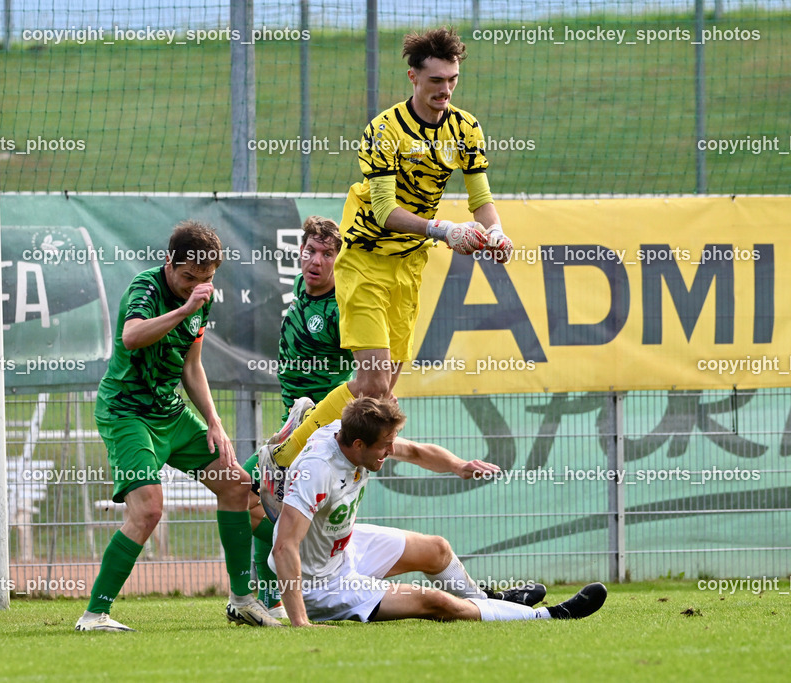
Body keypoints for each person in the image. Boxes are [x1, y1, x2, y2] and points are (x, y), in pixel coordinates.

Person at [268, 27, 515, 470]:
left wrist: (495, 233)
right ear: (413, 78)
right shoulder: (384, 129)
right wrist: (444, 231)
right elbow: (383, 209)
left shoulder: (465, 128)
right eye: (436, 80)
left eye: (453, 79)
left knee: (381, 396)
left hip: (409, 266)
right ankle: (284, 458)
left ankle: (313, 444)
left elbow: (481, 199)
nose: (446, 89)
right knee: (372, 380)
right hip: (364, 261)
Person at [76, 221, 281, 632]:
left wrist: (214, 421)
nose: (195, 286)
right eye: (188, 277)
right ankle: (94, 615)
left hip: (170, 413)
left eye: (205, 279)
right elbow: (132, 336)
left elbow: (191, 365)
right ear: (169, 262)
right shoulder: (146, 289)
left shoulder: (202, 297)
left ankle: (244, 600)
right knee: (149, 508)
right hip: (126, 412)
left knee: (239, 488)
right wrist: (185, 308)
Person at [271, 397, 607, 626]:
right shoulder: (318, 468)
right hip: (320, 584)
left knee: (437, 549)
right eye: (385, 447)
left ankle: (489, 602)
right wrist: (301, 621)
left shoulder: (348, 434)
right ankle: (548, 617)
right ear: (358, 445)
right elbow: (285, 546)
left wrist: (459, 466)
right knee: (435, 601)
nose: (391, 451)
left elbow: (415, 451)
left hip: (345, 549)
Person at [242, 216, 353, 614]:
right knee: (260, 499)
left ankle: (265, 600)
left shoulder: (343, 307)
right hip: (296, 422)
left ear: (341, 261)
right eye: (310, 251)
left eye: (327, 254)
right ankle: (269, 599)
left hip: (322, 431)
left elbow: (364, 364)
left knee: (248, 491)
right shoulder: (302, 287)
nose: (316, 260)